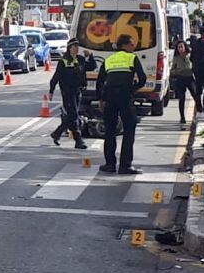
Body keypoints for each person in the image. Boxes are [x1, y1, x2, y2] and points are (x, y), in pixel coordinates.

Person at [97, 34, 147, 174]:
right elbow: (142, 79)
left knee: (110, 131)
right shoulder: (132, 58)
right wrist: (132, 89)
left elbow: (100, 82)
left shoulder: (109, 60)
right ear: (125, 45)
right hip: (125, 97)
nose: (133, 47)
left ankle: (110, 164)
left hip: (110, 98)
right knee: (129, 130)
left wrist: (101, 99)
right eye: (131, 44)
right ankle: (125, 166)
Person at [48, 39, 88, 149]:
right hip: (67, 92)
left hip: (78, 91)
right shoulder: (63, 61)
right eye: (74, 46)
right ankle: (78, 141)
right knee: (74, 115)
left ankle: (57, 133)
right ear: (69, 48)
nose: (77, 49)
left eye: (77, 47)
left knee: (72, 116)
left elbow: (90, 67)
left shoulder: (80, 59)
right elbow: (55, 78)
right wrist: (51, 91)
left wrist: (90, 57)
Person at [170, 40, 202, 125]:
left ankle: (200, 112)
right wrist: (177, 71)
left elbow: (195, 65)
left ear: (185, 47)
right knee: (181, 98)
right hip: (180, 79)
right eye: (179, 47)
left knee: (196, 95)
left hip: (189, 78)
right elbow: (172, 70)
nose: (180, 49)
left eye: (182, 46)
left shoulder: (189, 55)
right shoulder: (176, 57)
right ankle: (182, 117)